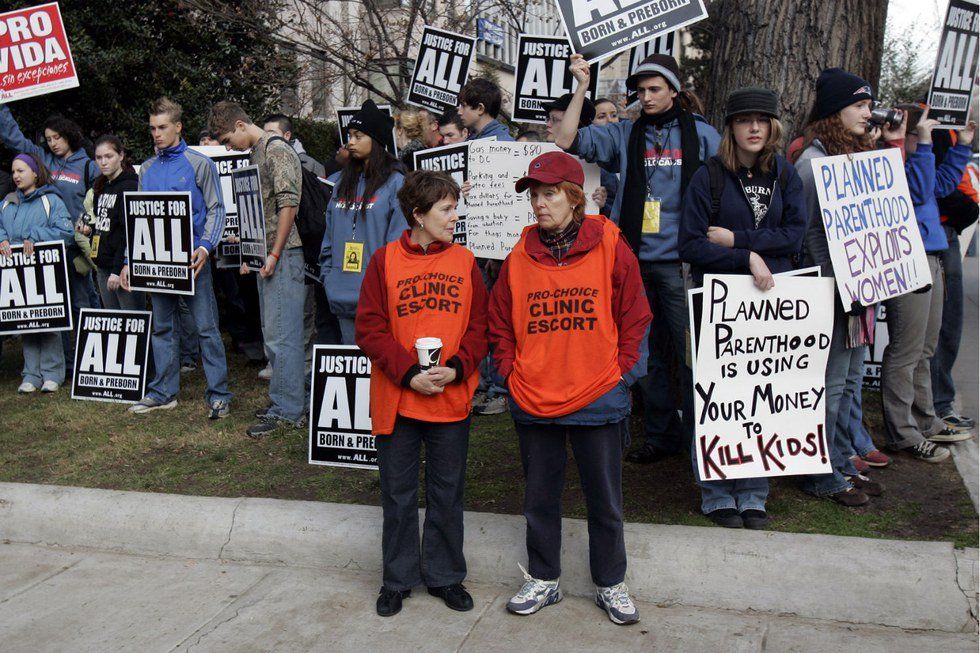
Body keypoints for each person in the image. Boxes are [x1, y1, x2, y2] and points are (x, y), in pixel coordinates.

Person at [489, 152, 651, 625]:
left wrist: (622, 375)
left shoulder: (610, 245)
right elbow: (499, 323)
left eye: (550, 194)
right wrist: (509, 374)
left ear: (575, 198)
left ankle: (611, 582)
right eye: (534, 196)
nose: (539, 204)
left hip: (598, 393)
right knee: (539, 498)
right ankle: (544, 577)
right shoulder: (519, 255)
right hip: (534, 396)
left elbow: (636, 315)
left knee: (605, 501)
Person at [553, 53, 720, 465]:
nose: (646, 97)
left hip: (683, 265)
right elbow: (566, 139)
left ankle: (704, 440)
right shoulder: (624, 133)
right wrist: (581, 86)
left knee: (694, 355)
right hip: (633, 261)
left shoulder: (702, 134)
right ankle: (662, 436)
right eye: (641, 90)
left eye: (654, 89)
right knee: (644, 356)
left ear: (674, 91)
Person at [356, 170, 488, 617]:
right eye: (446, 210)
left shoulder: (465, 261)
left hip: (450, 396)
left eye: (455, 209)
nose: (454, 217)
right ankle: (397, 579)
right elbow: (369, 329)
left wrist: (458, 368)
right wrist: (409, 374)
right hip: (398, 398)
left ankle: (445, 576)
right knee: (397, 494)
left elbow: (480, 327)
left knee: (447, 492)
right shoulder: (384, 261)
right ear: (418, 214)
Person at [678, 88, 806, 529]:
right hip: (720, 305)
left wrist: (738, 241)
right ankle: (716, 492)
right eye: (744, 120)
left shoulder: (784, 174)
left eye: (762, 120)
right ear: (730, 127)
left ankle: (753, 491)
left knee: (761, 399)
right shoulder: (708, 176)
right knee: (715, 398)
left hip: (770, 306)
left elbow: (794, 235)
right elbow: (691, 244)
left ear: (773, 126)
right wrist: (745, 258)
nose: (754, 128)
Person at [795, 69, 903, 504]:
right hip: (834, 292)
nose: (867, 113)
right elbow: (806, 234)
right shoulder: (812, 162)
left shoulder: (854, 155)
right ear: (833, 111)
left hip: (859, 291)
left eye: (868, 105)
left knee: (851, 378)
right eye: (858, 105)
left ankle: (839, 458)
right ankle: (819, 471)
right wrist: (838, 284)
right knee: (832, 383)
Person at [122, 97, 231, 419]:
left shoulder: (199, 163)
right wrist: (129, 259)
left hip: (193, 262)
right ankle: (163, 392)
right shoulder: (147, 169)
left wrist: (205, 247)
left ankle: (219, 394)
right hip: (156, 263)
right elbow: (138, 219)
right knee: (162, 328)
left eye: (162, 127)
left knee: (206, 328)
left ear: (178, 127)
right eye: (152, 128)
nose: (156, 134)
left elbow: (217, 208)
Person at [880, 104, 975, 458]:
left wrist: (963, 146)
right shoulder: (893, 161)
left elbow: (941, 185)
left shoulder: (916, 159)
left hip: (931, 256)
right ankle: (903, 432)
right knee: (906, 351)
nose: (928, 139)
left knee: (925, 349)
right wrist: (922, 143)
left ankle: (924, 419)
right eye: (920, 133)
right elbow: (919, 192)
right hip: (908, 259)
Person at [210, 101, 308, 438]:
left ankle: (290, 410)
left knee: (284, 336)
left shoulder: (276, 149)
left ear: (240, 125)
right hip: (269, 255)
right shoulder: (258, 151)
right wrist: (252, 252)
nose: (227, 147)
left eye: (227, 139)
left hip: (284, 254)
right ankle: (283, 402)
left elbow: (288, 204)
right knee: (274, 335)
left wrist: (274, 253)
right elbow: (262, 210)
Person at [0, 106, 101, 372]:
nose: (53, 143)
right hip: (47, 250)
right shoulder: (43, 159)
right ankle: (65, 364)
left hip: (75, 248)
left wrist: (89, 224)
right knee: (56, 310)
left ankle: (90, 362)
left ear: (69, 135)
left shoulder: (88, 166)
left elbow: (101, 201)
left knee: (82, 305)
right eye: (49, 139)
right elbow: (14, 138)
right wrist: (2, 106)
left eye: (58, 137)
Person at [319, 100, 406, 343]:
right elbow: (329, 235)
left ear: (376, 140)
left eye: (358, 136)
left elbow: (398, 243)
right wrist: (328, 277)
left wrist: (386, 286)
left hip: (379, 298)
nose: (350, 142)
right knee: (352, 358)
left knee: (378, 362)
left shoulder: (396, 183)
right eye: (350, 136)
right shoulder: (341, 182)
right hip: (341, 295)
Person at [0, 153, 73, 392]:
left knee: (49, 322)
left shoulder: (51, 200)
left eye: (21, 170)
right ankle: (31, 374)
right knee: (26, 323)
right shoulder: (7, 202)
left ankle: (52, 374)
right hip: (17, 273)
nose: (16, 175)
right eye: (13, 171)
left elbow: (67, 233)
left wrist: (36, 236)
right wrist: (2, 239)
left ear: (35, 172)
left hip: (46, 272)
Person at [930, 127, 979, 429]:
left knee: (946, 322)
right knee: (942, 323)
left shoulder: (951, 129)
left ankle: (937, 403)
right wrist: (968, 209)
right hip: (937, 232)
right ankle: (938, 404)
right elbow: (937, 186)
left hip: (945, 232)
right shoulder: (935, 129)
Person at [88, 135, 143, 311]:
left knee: (132, 320)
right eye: (98, 157)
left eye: (108, 156)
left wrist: (118, 269)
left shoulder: (130, 186)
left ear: (121, 155)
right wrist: (90, 231)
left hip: (122, 267)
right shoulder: (101, 185)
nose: (103, 162)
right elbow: (105, 224)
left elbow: (130, 231)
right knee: (114, 321)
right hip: (103, 264)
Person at [262, 114, 327, 177]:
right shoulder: (262, 158)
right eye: (265, 134)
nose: (266, 138)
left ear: (287, 135)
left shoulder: (310, 165)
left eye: (271, 133)